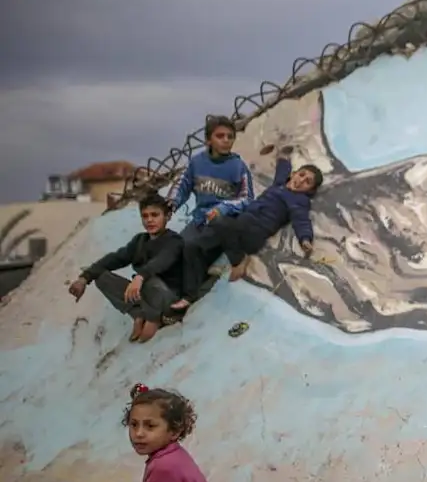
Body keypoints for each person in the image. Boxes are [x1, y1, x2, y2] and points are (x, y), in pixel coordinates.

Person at [177, 146, 322, 307]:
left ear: (310, 190)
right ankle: (189, 294)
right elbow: (283, 166)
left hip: (255, 232)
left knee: (220, 221)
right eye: (301, 175)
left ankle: (239, 259)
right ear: (294, 174)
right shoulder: (280, 184)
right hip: (239, 225)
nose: (301, 181)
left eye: (307, 182)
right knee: (193, 246)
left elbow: (301, 220)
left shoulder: (299, 201)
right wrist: (283, 153)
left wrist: (305, 240)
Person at [68, 192, 186, 342]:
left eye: (155, 215)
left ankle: (153, 320)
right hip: (147, 295)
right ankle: (139, 314)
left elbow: (161, 262)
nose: (149, 220)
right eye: (145, 216)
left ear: (167, 216)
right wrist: (84, 278)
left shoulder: (174, 241)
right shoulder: (140, 241)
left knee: (150, 280)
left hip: (169, 299)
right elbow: (115, 259)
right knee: (102, 277)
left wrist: (140, 277)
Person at [167, 115, 255, 238]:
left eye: (230, 137)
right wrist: (171, 204)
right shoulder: (196, 163)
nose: (226, 140)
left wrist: (223, 208)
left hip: (224, 222)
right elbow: (182, 185)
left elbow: (247, 199)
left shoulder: (239, 167)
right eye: (220, 136)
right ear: (208, 140)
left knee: (195, 247)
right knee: (178, 247)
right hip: (200, 221)